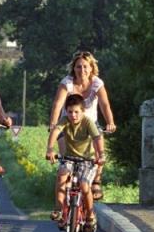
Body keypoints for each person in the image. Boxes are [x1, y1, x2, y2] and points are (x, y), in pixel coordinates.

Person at [47, 51, 116, 200]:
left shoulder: (97, 83)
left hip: (89, 124)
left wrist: (110, 122)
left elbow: (105, 105)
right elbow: (57, 105)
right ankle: (64, 198)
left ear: (91, 68)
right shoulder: (67, 83)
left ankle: (97, 179)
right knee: (66, 159)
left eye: (85, 67)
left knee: (99, 147)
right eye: (78, 67)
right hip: (67, 124)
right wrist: (53, 123)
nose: (82, 70)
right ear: (74, 68)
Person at [46, 94, 105, 232]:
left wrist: (100, 154)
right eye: (70, 112)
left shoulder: (88, 122)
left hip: (88, 160)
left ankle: (90, 215)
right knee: (61, 175)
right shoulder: (64, 120)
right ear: (66, 111)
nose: (73, 115)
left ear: (83, 111)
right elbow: (55, 131)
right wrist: (50, 149)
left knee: (84, 186)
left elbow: (97, 138)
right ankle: (59, 209)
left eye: (77, 112)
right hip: (69, 158)